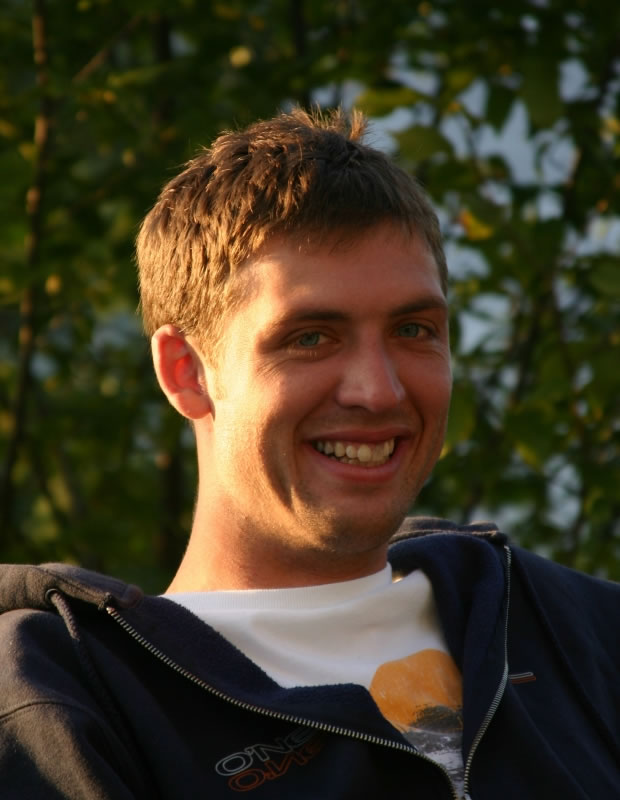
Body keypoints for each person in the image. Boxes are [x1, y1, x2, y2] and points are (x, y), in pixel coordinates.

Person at [0, 109, 618, 800]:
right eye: (311, 338)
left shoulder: (577, 632)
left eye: (414, 329)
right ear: (186, 371)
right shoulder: (72, 705)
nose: (378, 391)